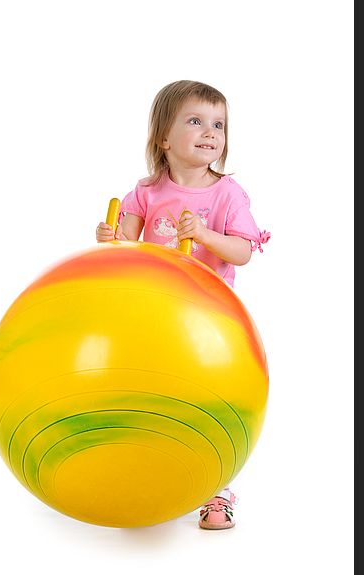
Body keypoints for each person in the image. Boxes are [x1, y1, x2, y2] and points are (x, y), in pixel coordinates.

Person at [96, 80, 270, 529]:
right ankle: (146, 468)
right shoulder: (147, 192)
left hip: (206, 321)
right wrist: (112, 240)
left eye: (219, 124)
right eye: (195, 121)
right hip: (155, 314)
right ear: (163, 138)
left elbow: (243, 253)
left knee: (204, 398)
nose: (210, 132)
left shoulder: (227, 194)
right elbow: (127, 247)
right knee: (152, 393)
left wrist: (206, 234)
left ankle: (216, 489)